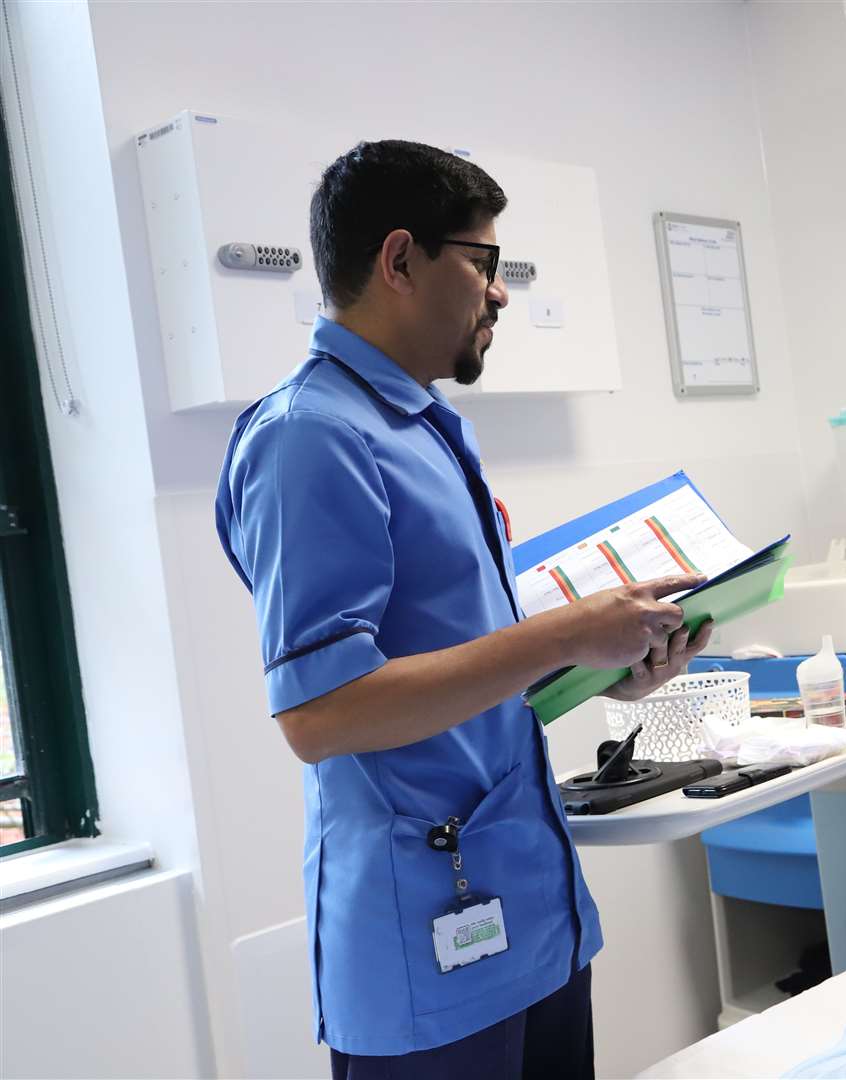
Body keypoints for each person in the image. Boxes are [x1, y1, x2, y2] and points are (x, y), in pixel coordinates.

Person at [215, 140, 711, 1080]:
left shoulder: (426, 428)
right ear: (400, 260)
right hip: (425, 952)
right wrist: (563, 630)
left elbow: (474, 665)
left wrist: (613, 660)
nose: (499, 292)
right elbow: (321, 714)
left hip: (530, 913)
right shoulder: (310, 440)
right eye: (481, 263)